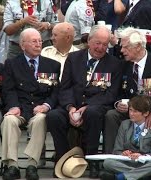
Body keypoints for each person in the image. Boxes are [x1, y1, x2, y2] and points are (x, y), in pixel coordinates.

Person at [46, 25, 122, 178]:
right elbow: (65, 87)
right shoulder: (74, 58)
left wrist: (87, 107)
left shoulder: (114, 63)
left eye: (105, 44)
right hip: (73, 104)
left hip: (97, 106)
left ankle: (92, 159)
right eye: (97, 43)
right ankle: (63, 158)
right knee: (54, 116)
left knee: (93, 114)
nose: (100, 48)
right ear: (89, 40)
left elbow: (112, 93)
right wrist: (70, 108)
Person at [1, 28, 60, 180]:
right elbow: (8, 89)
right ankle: (12, 165)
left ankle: (32, 165)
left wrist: (46, 106)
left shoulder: (53, 65)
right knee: (8, 120)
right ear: (22, 45)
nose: (38, 44)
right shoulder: (11, 64)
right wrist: (13, 106)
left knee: (41, 119)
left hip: (39, 108)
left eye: (40, 41)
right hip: (19, 107)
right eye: (34, 41)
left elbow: (55, 92)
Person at [104, 27, 151, 158]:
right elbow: (116, 91)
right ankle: (112, 157)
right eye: (121, 47)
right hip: (131, 110)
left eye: (126, 47)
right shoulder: (123, 65)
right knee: (111, 115)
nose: (122, 50)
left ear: (139, 46)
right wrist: (118, 103)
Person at [101, 95, 151, 180]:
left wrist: (142, 156)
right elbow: (116, 150)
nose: (131, 114)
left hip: (145, 163)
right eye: (130, 110)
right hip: (127, 162)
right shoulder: (124, 124)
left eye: (135, 111)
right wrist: (123, 153)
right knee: (107, 162)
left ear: (146, 113)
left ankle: (122, 177)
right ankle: (143, 176)